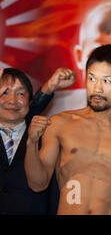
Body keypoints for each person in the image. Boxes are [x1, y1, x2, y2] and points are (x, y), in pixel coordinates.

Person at [24, 44, 111, 215]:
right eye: (92, 79)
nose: (97, 88)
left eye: (107, 81)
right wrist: (32, 143)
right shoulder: (60, 124)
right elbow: (37, 184)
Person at [0, 67, 75, 214]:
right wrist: (50, 86)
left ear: (29, 99)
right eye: (4, 93)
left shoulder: (46, 137)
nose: (12, 100)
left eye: (20, 93)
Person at [47, 0, 111, 115]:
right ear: (79, 56)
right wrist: (47, 90)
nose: (107, 66)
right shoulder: (56, 110)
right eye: (98, 54)